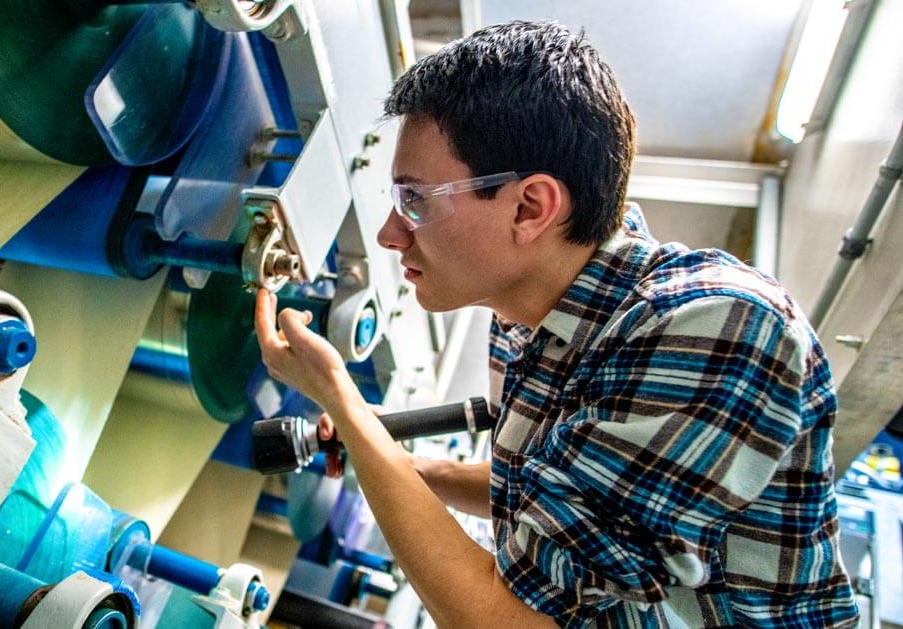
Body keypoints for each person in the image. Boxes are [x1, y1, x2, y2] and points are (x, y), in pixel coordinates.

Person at [254, 20, 859, 627]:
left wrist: (343, 401)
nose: (390, 233)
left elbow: (496, 618)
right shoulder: (527, 324)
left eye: (415, 201)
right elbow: (559, 490)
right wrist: (408, 467)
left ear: (530, 208)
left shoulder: (722, 327)